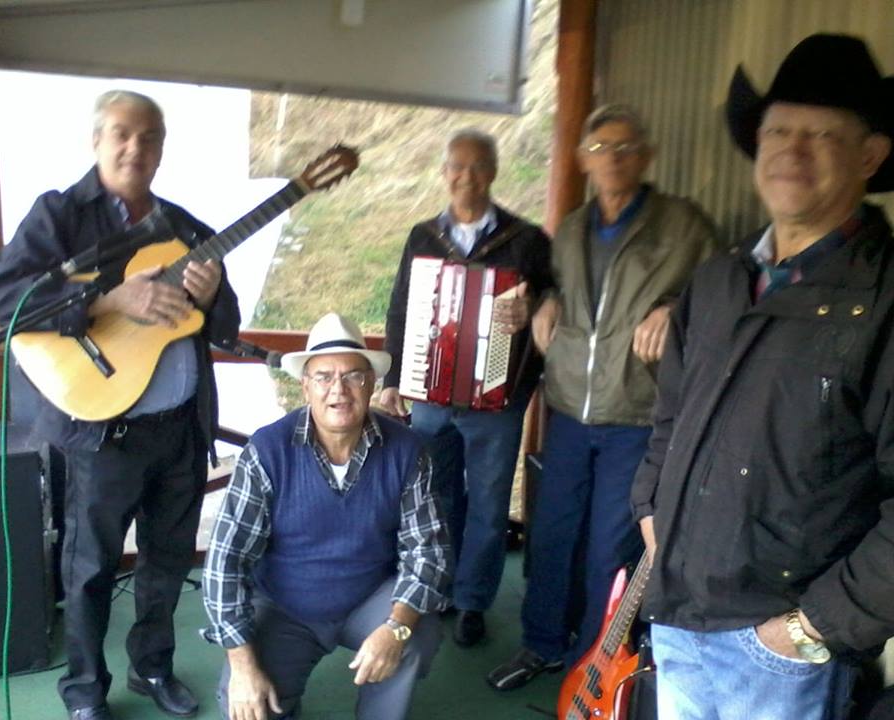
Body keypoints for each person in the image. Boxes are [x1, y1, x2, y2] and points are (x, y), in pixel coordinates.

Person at [630, 33, 894, 719]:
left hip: (780, 652)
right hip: (678, 612)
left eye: (821, 135)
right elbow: (670, 417)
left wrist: (810, 629)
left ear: (870, 156)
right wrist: (651, 511)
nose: (791, 151)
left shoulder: (884, 300)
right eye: (778, 130)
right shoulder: (718, 280)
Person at [0, 90, 241, 720]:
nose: (136, 147)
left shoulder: (184, 227)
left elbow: (228, 327)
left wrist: (213, 296)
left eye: (149, 136)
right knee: (91, 569)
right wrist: (106, 301)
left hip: (180, 429)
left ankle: (152, 668)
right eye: (123, 134)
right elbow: (6, 299)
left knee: (166, 562)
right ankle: (84, 691)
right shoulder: (60, 215)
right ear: (97, 140)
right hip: (105, 432)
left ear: (162, 149)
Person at [489, 104, 718, 690]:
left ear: (646, 156)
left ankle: (591, 664)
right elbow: (558, 289)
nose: (611, 158)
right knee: (551, 536)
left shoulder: (683, 226)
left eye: (624, 147)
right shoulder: (571, 229)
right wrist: (545, 301)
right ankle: (542, 644)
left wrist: (674, 310)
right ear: (582, 160)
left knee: (608, 551)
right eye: (599, 148)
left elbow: (720, 296)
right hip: (569, 407)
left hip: (637, 413)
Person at [202, 312, 451, 720]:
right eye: (323, 377)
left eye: (353, 376)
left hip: (369, 597)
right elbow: (225, 561)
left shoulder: (407, 450)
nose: (339, 389)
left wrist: (396, 627)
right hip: (286, 606)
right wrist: (242, 665)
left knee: (415, 637)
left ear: (371, 383)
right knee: (246, 703)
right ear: (305, 386)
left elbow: (429, 553)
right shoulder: (267, 451)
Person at [379, 128, 553, 647]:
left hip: (497, 400)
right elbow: (401, 308)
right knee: (437, 498)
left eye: (477, 166)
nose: (466, 177)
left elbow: (554, 305)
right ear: (444, 172)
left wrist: (533, 308)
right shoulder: (422, 236)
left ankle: (473, 601)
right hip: (431, 396)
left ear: (493, 172)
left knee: (489, 505)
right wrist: (394, 378)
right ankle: (439, 587)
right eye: (457, 166)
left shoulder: (527, 240)